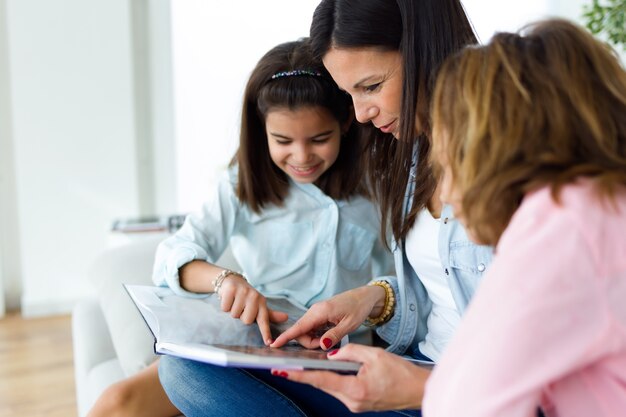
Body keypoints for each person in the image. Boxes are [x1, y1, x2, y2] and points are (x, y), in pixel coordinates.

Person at [159, 0, 493, 415]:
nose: (361, 114)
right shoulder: (409, 161)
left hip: (464, 394)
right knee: (183, 373)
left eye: (370, 86)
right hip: (409, 367)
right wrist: (371, 298)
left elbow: (538, 340)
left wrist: (427, 386)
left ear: (425, 51)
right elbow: (434, 293)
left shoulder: (505, 163)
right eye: (349, 93)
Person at [86, 38, 393, 417]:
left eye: (319, 139)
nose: (301, 157)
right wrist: (225, 279)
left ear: (346, 122)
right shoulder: (239, 186)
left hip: (340, 356)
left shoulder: (378, 187)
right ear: (261, 130)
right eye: (282, 140)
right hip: (254, 346)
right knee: (116, 404)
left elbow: (399, 286)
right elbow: (173, 256)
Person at [423, 19, 626, 417]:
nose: (445, 193)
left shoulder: (563, 221)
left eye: (448, 166)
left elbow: (461, 406)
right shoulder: (606, 202)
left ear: (495, 147)